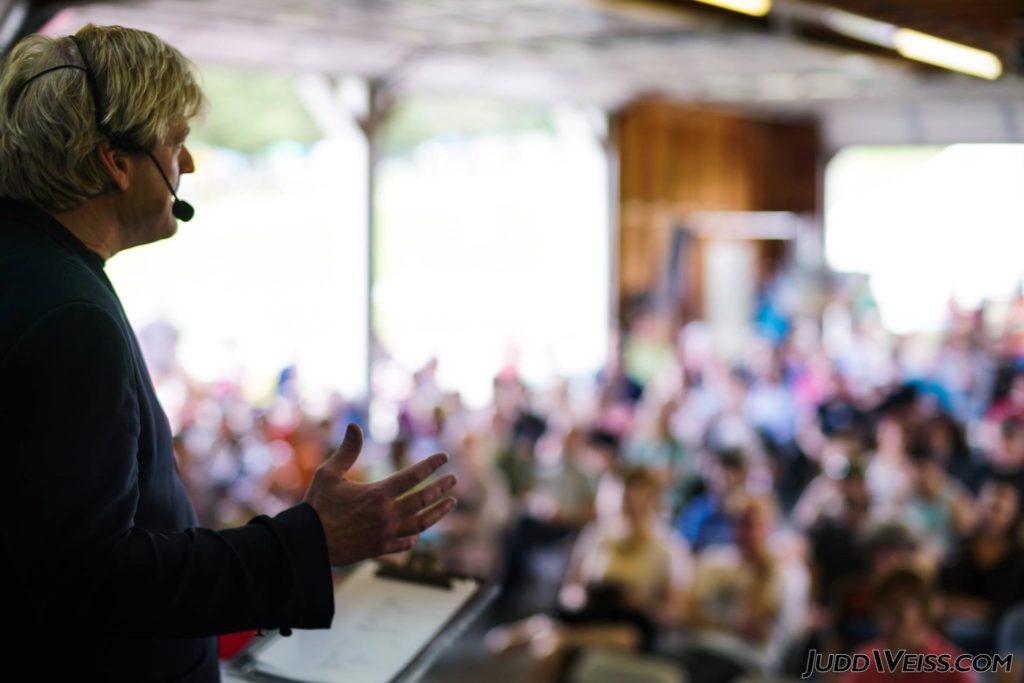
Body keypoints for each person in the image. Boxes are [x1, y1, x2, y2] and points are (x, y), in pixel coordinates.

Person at [0, 25, 457, 682]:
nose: (186, 165)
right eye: (175, 141)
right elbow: (92, 579)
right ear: (116, 160)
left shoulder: (29, 268)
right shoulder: (70, 316)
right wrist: (310, 538)